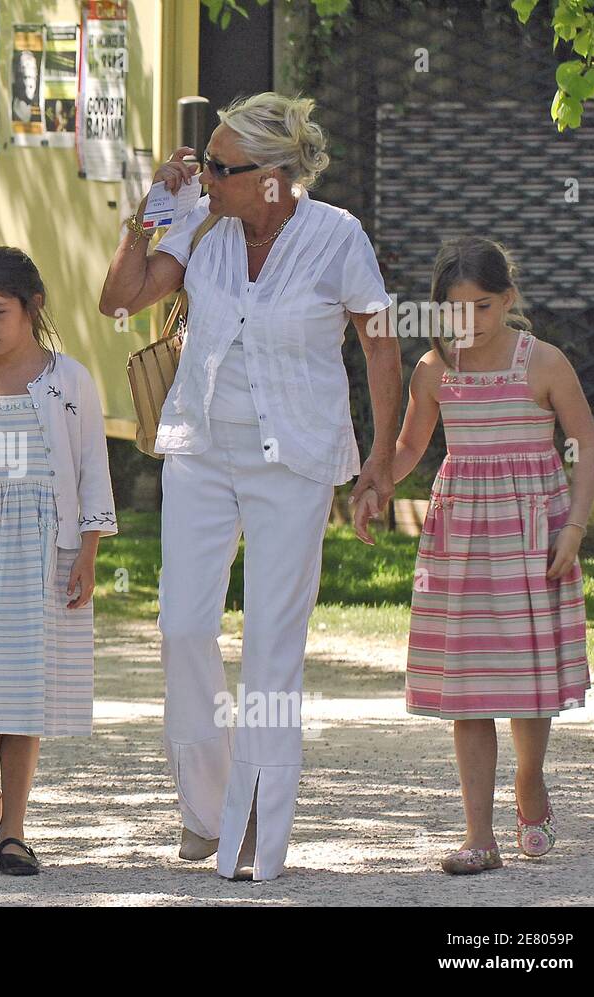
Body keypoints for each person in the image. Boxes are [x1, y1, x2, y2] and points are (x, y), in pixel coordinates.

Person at [98, 92, 400, 881]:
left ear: (271, 177)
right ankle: (209, 806)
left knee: (272, 649)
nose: (208, 177)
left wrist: (381, 460)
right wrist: (152, 209)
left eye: (221, 168)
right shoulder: (203, 225)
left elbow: (380, 347)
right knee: (182, 626)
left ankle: (254, 834)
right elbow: (119, 300)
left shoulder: (338, 237)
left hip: (293, 462)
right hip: (202, 448)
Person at [355, 236, 594, 875]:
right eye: (455, 310)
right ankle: (478, 835)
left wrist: (573, 527)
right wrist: (377, 481)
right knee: (468, 689)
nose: (469, 322)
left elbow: (588, 446)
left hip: (532, 538)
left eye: (483, 307)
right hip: (460, 540)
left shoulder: (543, 363)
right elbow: (409, 447)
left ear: (508, 300)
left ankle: (530, 782)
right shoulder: (433, 371)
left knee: (525, 684)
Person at [0, 247, 116, 876]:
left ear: (31, 307)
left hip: (42, 549)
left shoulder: (68, 381)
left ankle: (13, 823)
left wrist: (88, 552)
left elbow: (92, 469)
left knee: (23, 688)